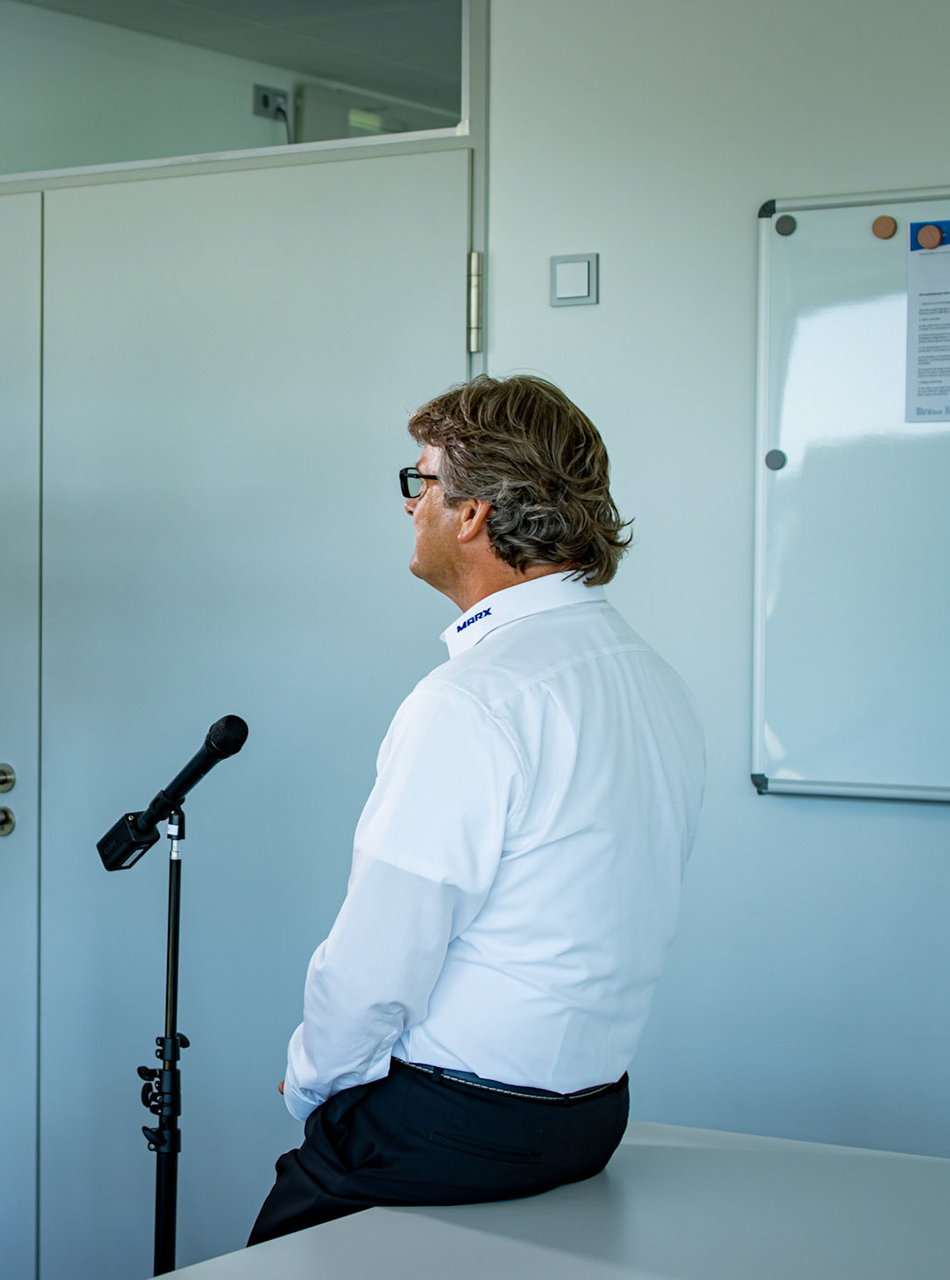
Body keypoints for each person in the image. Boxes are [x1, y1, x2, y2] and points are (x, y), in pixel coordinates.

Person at [249, 375, 706, 1244]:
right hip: (589, 1120)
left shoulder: (473, 699)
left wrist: (314, 1081)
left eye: (420, 481)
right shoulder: (650, 676)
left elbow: (383, 949)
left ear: (472, 514)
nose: (409, 504)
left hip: (452, 1128)